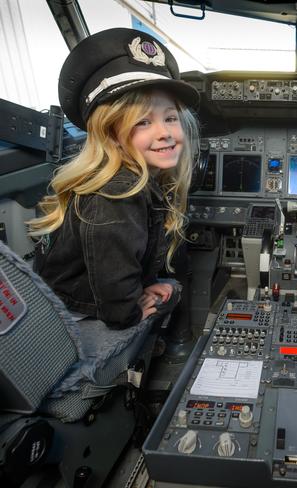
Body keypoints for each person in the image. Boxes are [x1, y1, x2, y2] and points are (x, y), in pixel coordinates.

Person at [27, 28, 200, 329]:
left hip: (81, 299)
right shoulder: (118, 192)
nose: (165, 132)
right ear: (112, 135)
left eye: (170, 117)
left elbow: (117, 261)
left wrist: (144, 287)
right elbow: (116, 297)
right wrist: (131, 309)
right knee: (176, 290)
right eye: (143, 122)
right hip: (73, 316)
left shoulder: (133, 179)